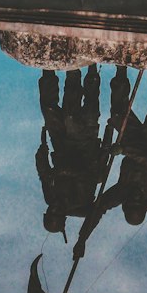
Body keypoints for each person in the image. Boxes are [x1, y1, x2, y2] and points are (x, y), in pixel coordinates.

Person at [73, 68, 147, 257]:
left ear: (125, 204)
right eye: (139, 203)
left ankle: (121, 69)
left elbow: (98, 210)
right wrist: (124, 151)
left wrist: (82, 239)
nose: (135, 197)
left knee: (119, 111)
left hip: (130, 140)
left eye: (131, 203)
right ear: (144, 204)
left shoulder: (122, 192)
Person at [35, 66, 106, 236]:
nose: (53, 208)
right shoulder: (80, 202)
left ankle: (48, 67)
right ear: (63, 215)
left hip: (61, 146)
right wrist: (63, 171)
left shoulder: (50, 198)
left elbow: (44, 174)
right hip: (83, 147)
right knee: (70, 116)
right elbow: (85, 174)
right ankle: (76, 69)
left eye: (49, 210)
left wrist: (42, 153)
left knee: (48, 109)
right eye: (56, 212)